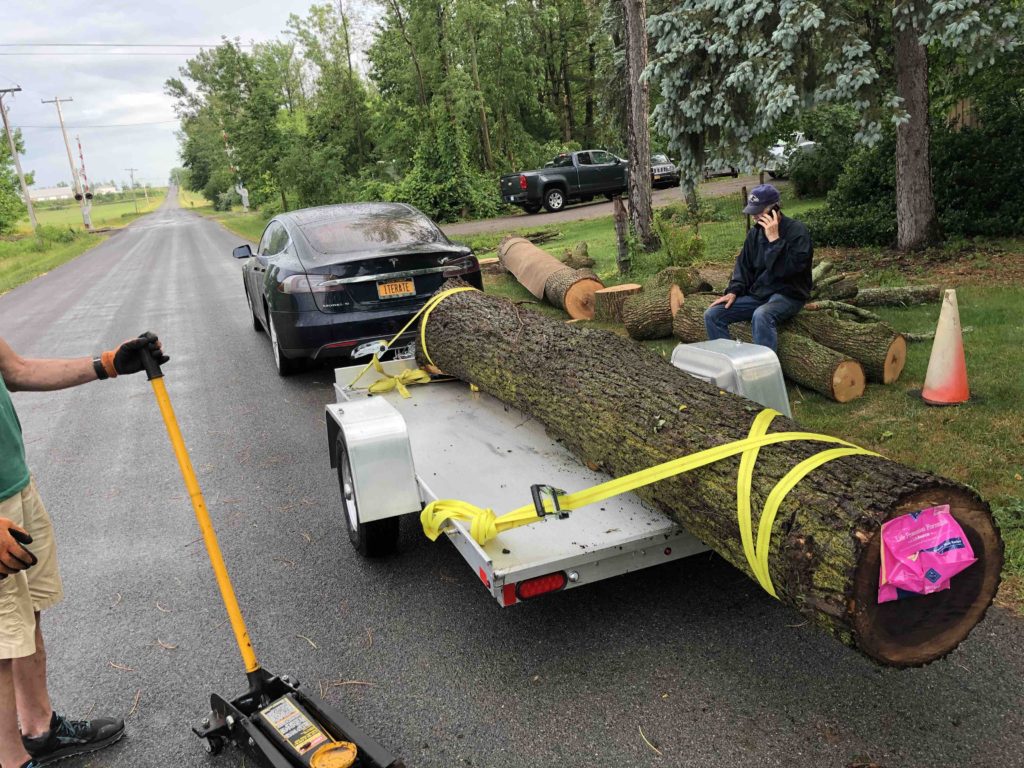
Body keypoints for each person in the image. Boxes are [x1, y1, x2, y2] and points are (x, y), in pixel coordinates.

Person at [0, 332, 168, 768]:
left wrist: (109, 363)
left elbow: (16, 371)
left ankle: (39, 729)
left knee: (25, 615)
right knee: (0, 639)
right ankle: (12, 761)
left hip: (14, 488)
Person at [704, 184, 813, 352]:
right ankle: (731, 365)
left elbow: (789, 271)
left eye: (759, 212)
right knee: (712, 315)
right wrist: (733, 291)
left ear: (775, 209)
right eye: (752, 212)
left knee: (762, 315)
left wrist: (775, 241)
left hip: (789, 294)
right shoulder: (754, 234)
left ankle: (764, 372)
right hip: (760, 294)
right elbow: (743, 267)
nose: (755, 216)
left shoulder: (797, 232)